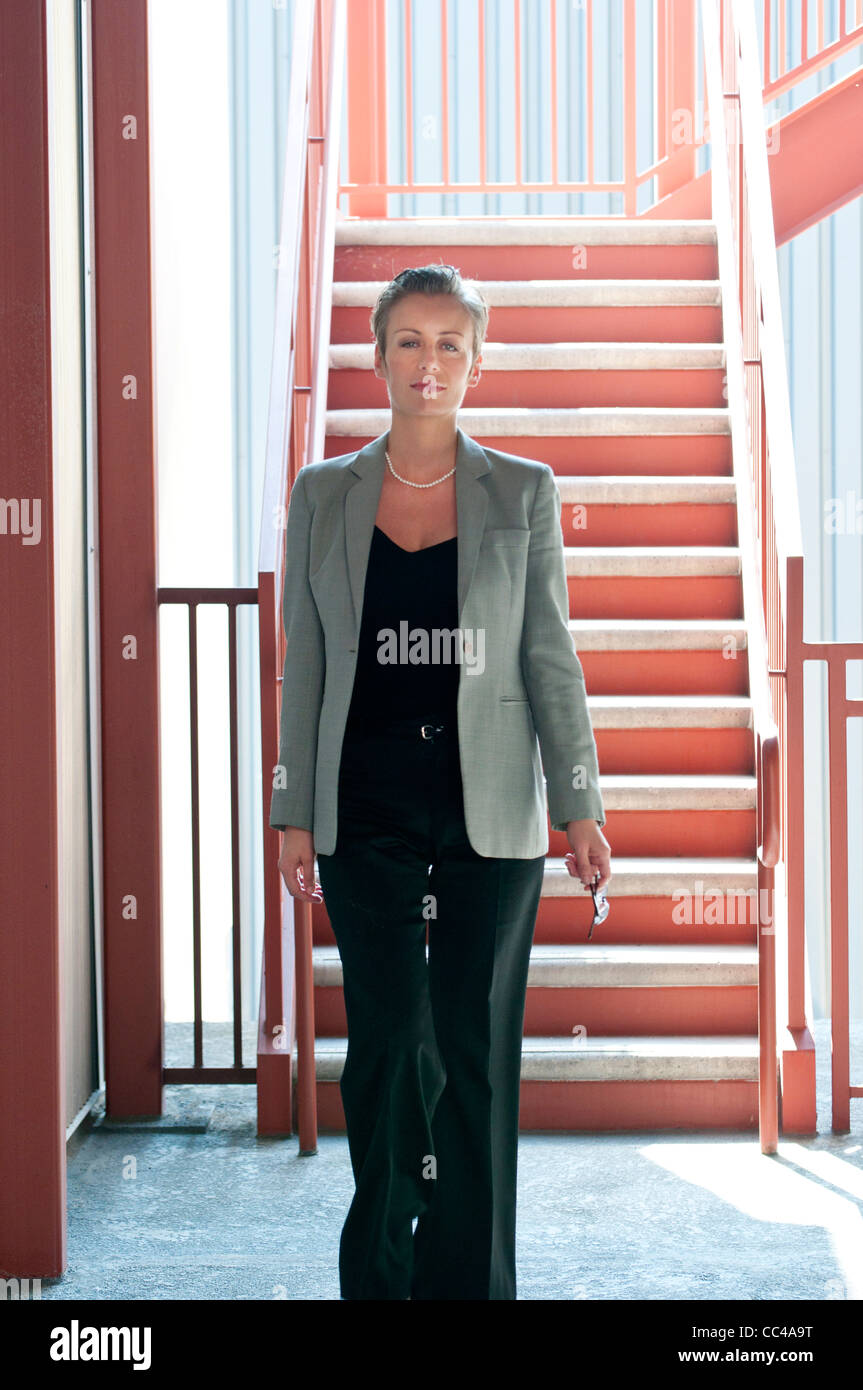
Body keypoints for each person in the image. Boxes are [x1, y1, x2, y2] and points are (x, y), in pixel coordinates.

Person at [270, 264, 611, 1300]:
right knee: (383, 1049)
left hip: (491, 807)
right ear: (377, 358)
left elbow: (547, 655)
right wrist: (291, 810)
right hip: (363, 808)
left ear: (476, 359)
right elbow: (307, 661)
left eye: (449, 343)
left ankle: (468, 1285)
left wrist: (580, 801)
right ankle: (376, 1278)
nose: (429, 363)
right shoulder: (324, 493)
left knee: (472, 1050)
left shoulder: (521, 489)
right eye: (409, 341)